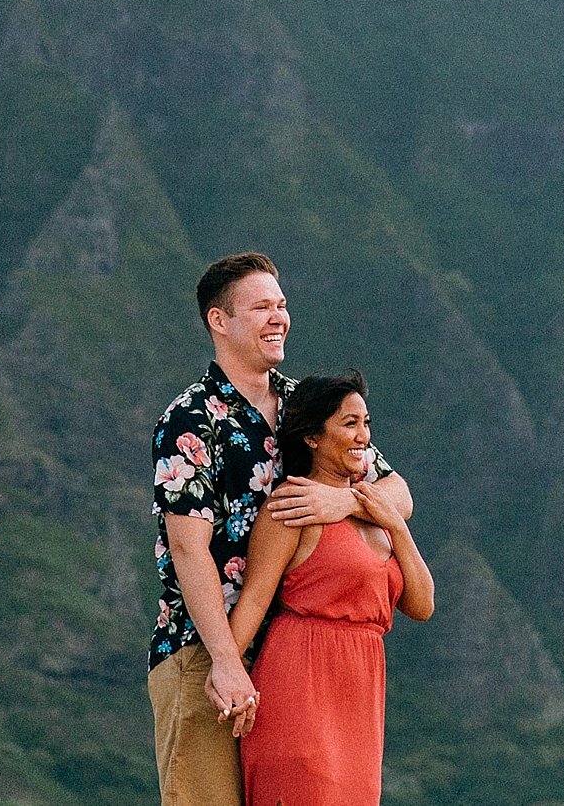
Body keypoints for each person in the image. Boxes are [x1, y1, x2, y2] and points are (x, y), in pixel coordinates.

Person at [150, 254, 417, 806]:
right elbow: (187, 547)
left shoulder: (307, 407)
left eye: (282, 306)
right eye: (261, 307)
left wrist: (338, 499)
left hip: (296, 662)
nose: (279, 318)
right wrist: (225, 663)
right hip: (209, 651)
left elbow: (399, 496)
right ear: (219, 322)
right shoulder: (190, 420)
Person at [227, 373, 434, 806]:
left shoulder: (374, 509)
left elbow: (422, 604)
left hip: (361, 692)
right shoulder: (293, 505)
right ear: (313, 438)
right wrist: (224, 672)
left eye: (366, 422)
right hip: (299, 681)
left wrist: (394, 522)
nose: (364, 437)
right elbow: (254, 602)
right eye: (349, 424)